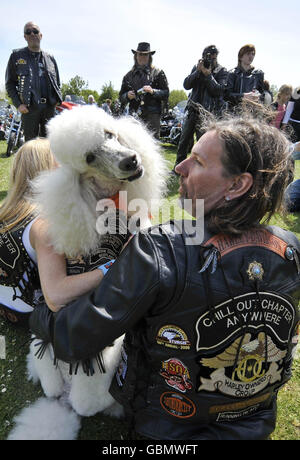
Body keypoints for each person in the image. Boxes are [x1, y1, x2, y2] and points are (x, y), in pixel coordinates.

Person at [30, 113, 300, 440]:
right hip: (254, 423)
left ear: (237, 184)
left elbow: (76, 337)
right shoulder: (291, 247)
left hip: (168, 429)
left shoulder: (159, 248)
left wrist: (40, 315)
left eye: (197, 161)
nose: (178, 167)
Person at [0, 138, 122, 325]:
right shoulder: (44, 224)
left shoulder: (5, 210)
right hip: (29, 313)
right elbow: (56, 297)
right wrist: (112, 266)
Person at [173, 45, 228, 171]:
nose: (210, 60)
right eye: (207, 56)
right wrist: (198, 71)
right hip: (192, 110)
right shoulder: (197, 68)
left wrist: (208, 75)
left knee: (202, 144)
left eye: (213, 57)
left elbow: (218, 91)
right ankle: (177, 168)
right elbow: (186, 85)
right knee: (184, 140)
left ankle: (200, 170)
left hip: (207, 113)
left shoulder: (222, 71)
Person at [5, 21, 62, 141]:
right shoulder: (16, 56)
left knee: (48, 145)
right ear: (25, 37)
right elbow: (10, 83)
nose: (32, 34)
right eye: (28, 32)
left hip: (49, 109)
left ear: (40, 35)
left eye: (35, 31)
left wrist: (57, 99)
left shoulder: (50, 58)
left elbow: (57, 83)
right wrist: (18, 104)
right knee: (30, 146)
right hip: (29, 109)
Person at [119, 42, 169, 139]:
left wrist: (153, 91)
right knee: (133, 145)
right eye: (140, 54)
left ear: (149, 56)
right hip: (134, 116)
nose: (142, 57)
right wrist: (127, 96)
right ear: (136, 56)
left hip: (153, 116)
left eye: (145, 54)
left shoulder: (158, 73)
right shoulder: (128, 76)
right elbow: (121, 97)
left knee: (152, 148)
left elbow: (166, 93)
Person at [225, 44, 264, 109]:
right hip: (234, 114)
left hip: (251, 114)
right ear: (240, 57)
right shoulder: (232, 73)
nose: (251, 56)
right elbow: (226, 95)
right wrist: (243, 96)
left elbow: (262, 95)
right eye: (248, 54)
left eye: (253, 54)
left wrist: (258, 96)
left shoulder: (258, 74)